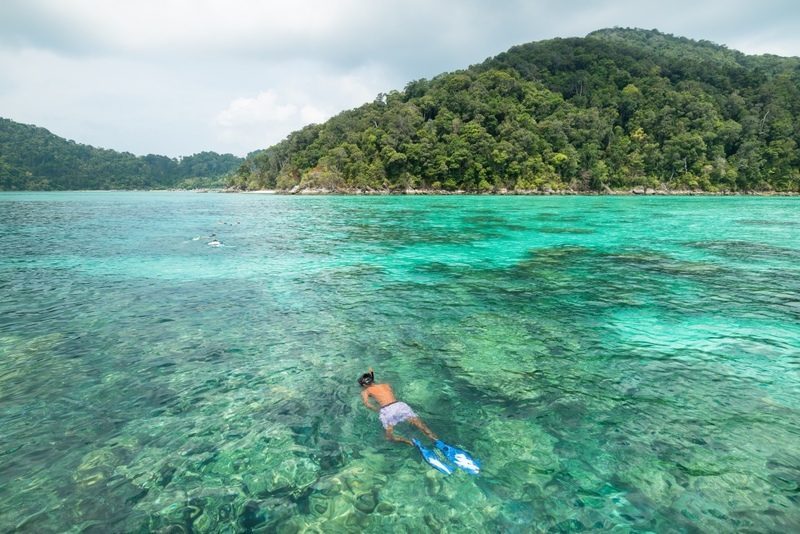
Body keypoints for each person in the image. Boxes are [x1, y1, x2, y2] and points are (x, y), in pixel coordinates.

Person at [358, 368, 437, 446]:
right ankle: (434, 438)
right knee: (420, 425)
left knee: (388, 437)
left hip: (387, 410)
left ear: (364, 385)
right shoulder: (386, 385)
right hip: (399, 405)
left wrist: (378, 410)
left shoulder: (366, 391)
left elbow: (367, 404)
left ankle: (408, 441)